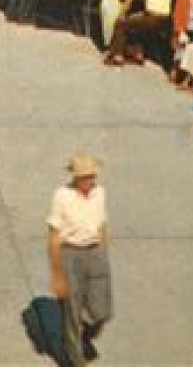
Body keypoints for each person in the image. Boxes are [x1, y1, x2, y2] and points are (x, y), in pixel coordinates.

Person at [47, 154, 111, 366]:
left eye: (93, 176)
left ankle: (84, 333)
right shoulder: (62, 196)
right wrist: (57, 273)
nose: (91, 181)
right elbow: (54, 233)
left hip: (95, 252)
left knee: (102, 310)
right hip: (70, 253)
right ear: (75, 178)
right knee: (73, 308)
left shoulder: (99, 193)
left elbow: (102, 224)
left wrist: (103, 252)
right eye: (86, 177)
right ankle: (74, 358)